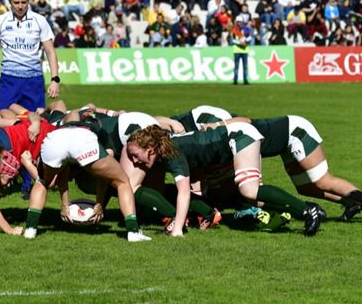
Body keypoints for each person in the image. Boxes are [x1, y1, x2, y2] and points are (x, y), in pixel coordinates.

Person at [126, 125, 325, 236]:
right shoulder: (164, 149)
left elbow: (184, 191)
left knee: (249, 189)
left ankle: (309, 210)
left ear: (150, 149)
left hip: (238, 137)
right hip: (228, 146)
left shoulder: (171, 153)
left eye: (136, 155)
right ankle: (294, 210)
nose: (134, 161)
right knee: (250, 196)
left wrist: (177, 229)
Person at [203, 115, 362, 221]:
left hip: (295, 131)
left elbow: (247, 120)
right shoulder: (227, 141)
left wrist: (218, 124)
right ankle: (352, 202)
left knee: (322, 181)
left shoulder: (229, 131)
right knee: (305, 188)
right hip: (285, 145)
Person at [24, 122, 152, 242]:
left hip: (56, 138)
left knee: (42, 182)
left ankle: (30, 229)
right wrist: (100, 203)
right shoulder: (101, 129)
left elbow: (63, 170)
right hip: (83, 139)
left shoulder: (64, 122)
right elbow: (104, 175)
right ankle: (133, 231)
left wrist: (65, 205)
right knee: (122, 181)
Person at [0, 0, 60, 119]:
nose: (20, 6)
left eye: (24, 2)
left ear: (29, 1)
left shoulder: (39, 20)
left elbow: (50, 51)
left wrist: (55, 80)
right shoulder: (0, 22)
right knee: (1, 122)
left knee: (35, 124)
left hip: (33, 80)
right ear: (9, 1)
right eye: (16, 3)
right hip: (9, 80)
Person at [231, 19, 251, 85]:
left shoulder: (246, 29)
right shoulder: (234, 30)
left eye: (240, 22)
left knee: (245, 66)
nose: (239, 23)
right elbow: (233, 40)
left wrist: (245, 42)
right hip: (237, 50)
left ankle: (245, 80)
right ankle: (235, 80)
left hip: (245, 50)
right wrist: (240, 43)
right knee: (236, 66)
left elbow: (249, 38)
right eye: (238, 22)